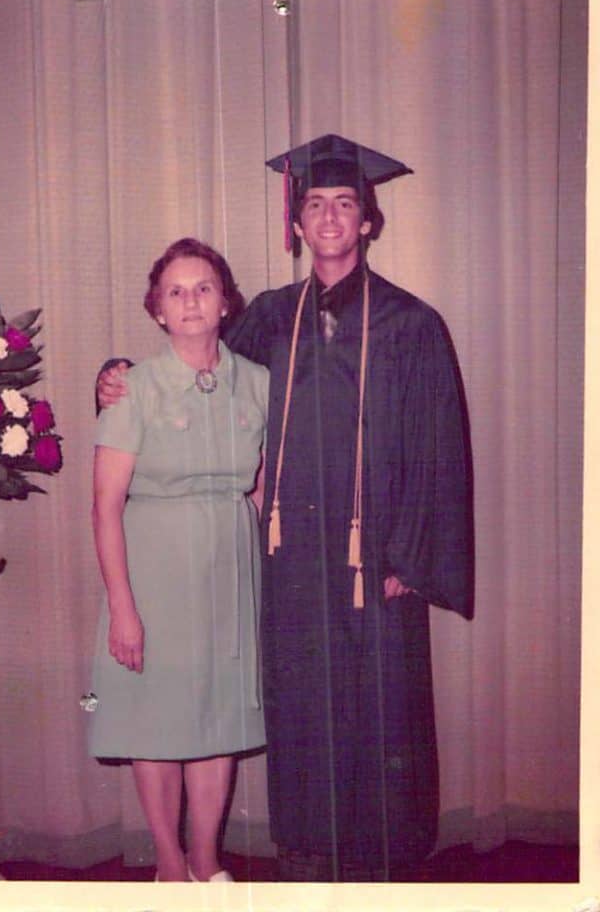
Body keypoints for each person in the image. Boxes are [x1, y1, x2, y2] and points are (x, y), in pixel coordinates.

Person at [97, 134, 474, 882]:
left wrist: (410, 558)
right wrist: (113, 376)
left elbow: (441, 450)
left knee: (381, 705)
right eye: (314, 204)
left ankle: (382, 857)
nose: (329, 217)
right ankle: (304, 850)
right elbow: (197, 368)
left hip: (378, 561)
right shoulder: (272, 316)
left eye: (344, 204)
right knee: (302, 700)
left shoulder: (413, 324)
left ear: (367, 220)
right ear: (297, 225)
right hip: (293, 555)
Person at [89, 237, 268, 883]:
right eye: (175, 290)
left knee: (216, 719)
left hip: (229, 571)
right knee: (157, 722)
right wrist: (123, 611)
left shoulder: (258, 383)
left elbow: (262, 486)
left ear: (226, 301)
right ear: (157, 310)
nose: (190, 300)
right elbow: (105, 507)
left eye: (203, 287)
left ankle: (204, 862)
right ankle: (169, 867)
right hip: (155, 575)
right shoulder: (131, 388)